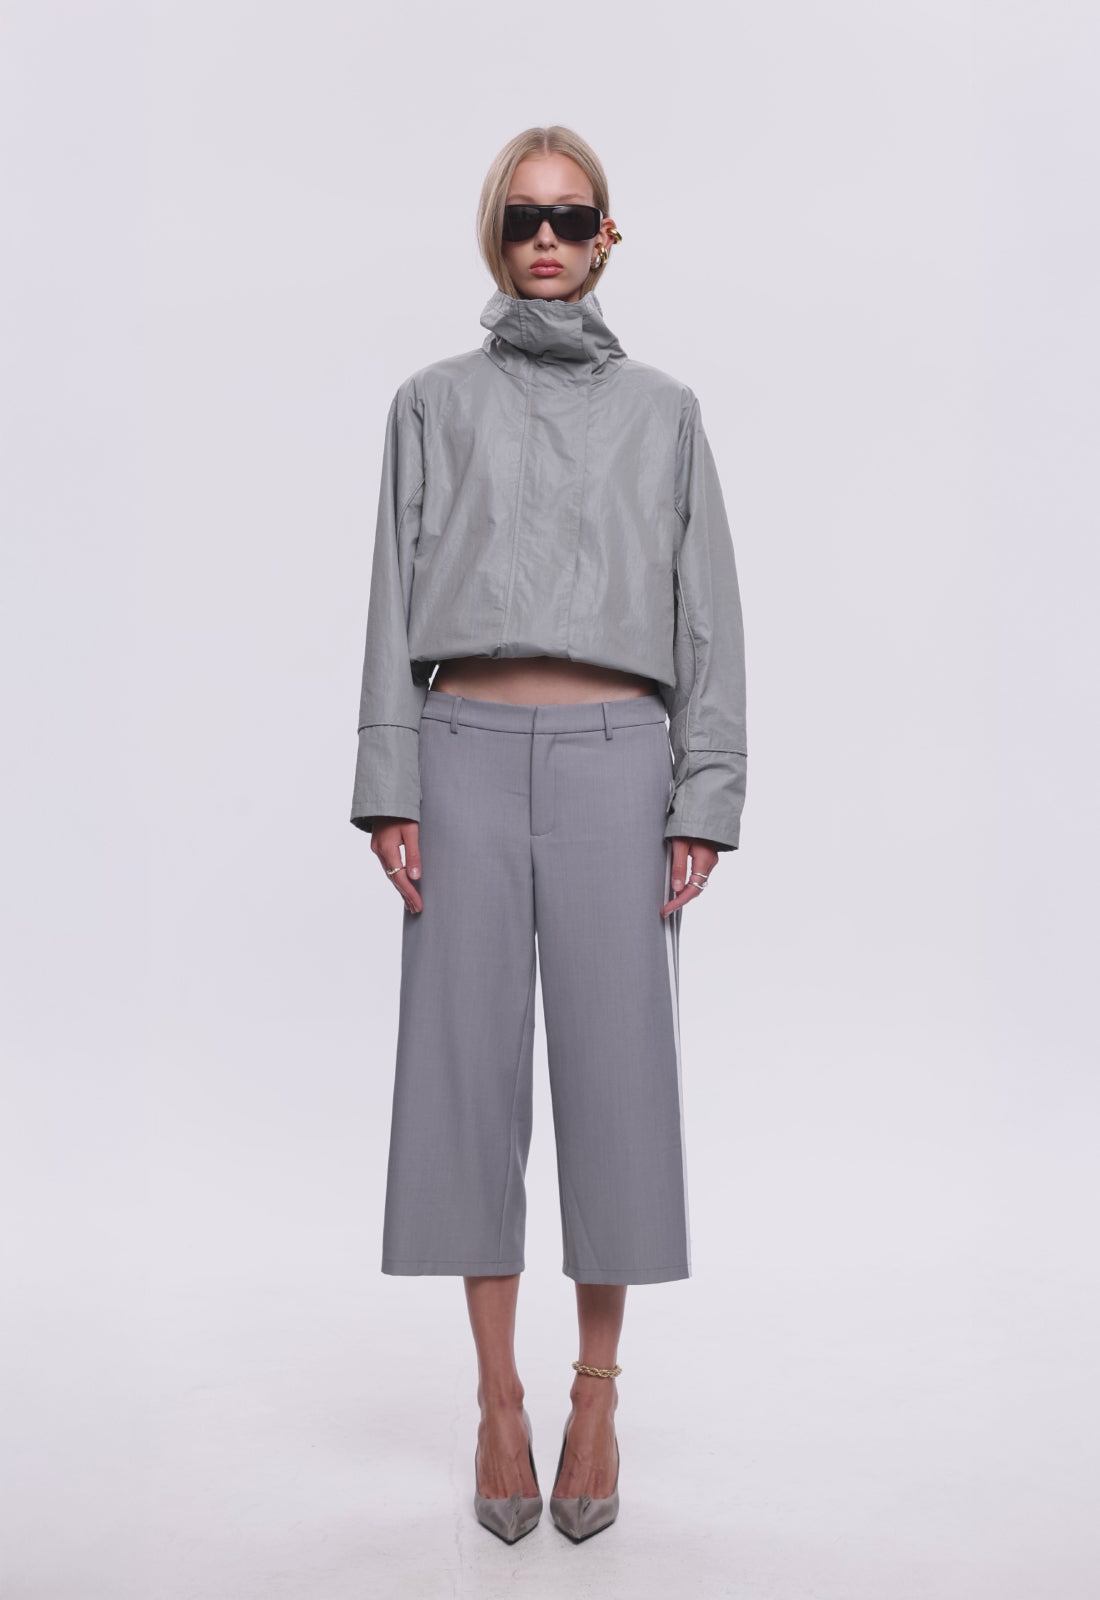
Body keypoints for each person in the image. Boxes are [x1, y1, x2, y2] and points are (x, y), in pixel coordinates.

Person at [349, 125, 748, 1544]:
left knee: (616, 1084)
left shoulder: (666, 414)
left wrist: (705, 792)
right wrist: (391, 782)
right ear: (495, 230)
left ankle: (594, 1392)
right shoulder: (430, 403)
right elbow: (391, 597)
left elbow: (708, 615)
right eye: (524, 216)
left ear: (605, 237)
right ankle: (497, 1398)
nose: (546, 240)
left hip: (617, 765)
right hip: (458, 753)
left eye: (572, 218)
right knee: (464, 1082)